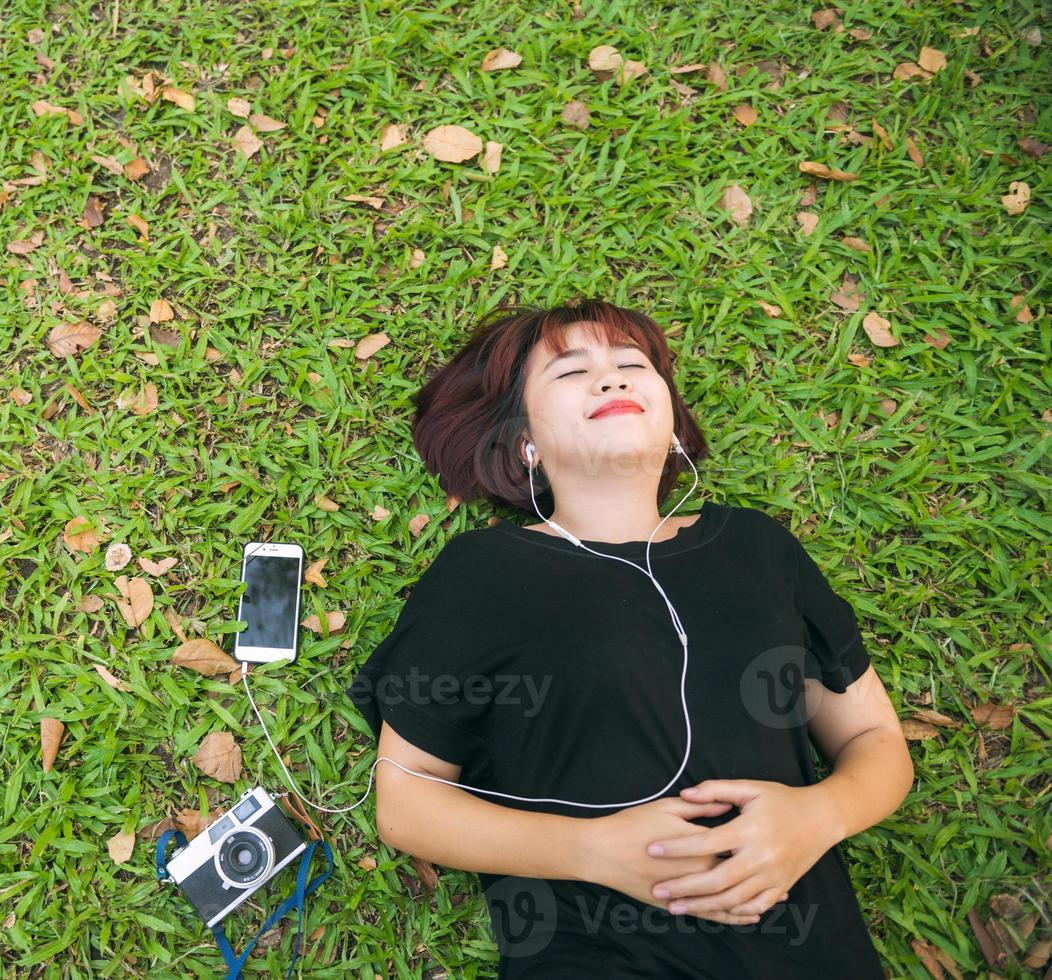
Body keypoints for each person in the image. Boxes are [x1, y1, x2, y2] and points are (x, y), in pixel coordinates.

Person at [343, 299, 913, 978]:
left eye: (631, 364)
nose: (611, 380)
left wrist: (818, 816)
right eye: (571, 371)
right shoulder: (486, 573)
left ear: (671, 422)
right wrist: (592, 851)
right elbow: (406, 803)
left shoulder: (758, 548)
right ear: (527, 443)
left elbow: (876, 743)